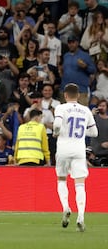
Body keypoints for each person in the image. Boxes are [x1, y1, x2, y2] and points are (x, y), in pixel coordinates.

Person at [53, 83, 98, 232]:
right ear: (78, 95)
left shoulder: (61, 108)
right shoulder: (85, 110)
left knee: (61, 180)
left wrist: (56, 132)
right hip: (79, 150)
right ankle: (81, 217)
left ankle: (66, 207)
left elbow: (58, 124)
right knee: (80, 184)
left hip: (63, 149)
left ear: (65, 95)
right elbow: (94, 133)